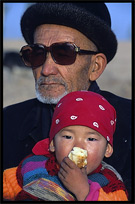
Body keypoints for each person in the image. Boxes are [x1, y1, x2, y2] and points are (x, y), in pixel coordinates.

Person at [3, 2, 132, 200]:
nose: (46, 70)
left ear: (95, 66)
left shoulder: (130, 122)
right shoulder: (7, 122)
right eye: (37, 53)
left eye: (64, 53)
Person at [3, 91, 128, 201]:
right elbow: (6, 186)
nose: (78, 146)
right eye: (68, 137)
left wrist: (83, 192)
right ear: (52, 144)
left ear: (107, 149)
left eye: (91, 139)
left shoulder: (109, 184)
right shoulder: (34, 166)